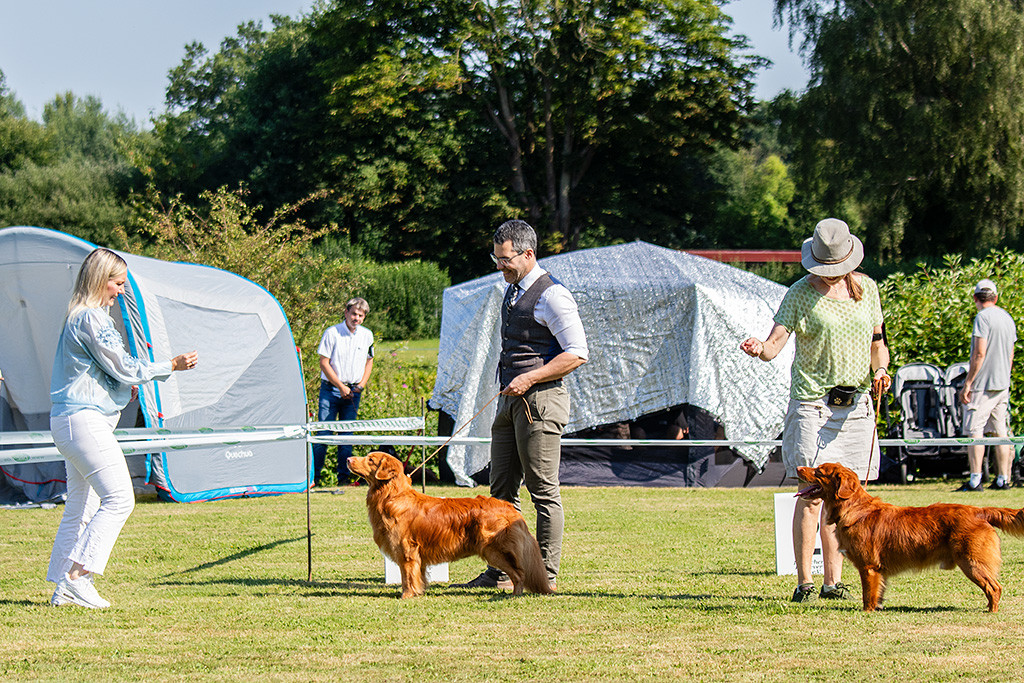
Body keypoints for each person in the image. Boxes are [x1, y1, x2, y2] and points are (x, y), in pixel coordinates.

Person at [740, 218, 890, 603]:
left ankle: (834, 583)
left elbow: (878, 344)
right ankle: (806, 582)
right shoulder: (799, 293)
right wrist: (760, 348)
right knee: (810, 496)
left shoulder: (867, 289)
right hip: (812, 405)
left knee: (851, 496)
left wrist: (882, 370)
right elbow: (774, 344)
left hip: (856, 404)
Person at [48, 247, 198, 609]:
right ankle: (77, 577)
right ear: (101, 280)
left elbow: (106, 371)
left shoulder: (81, 317)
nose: (120, 291)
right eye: (117, 283)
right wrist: (170, 365)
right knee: (119, 499)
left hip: (70, 420)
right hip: (84, 420)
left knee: (82, 505)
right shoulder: (92, 319)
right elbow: (125, 366)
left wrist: (123, 385)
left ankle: (63, 587)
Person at [455, 219, 588, 591]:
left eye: (506, 259)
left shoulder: (553, 296)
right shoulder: (511, 291)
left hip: (541, 402)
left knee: (543, 491)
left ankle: (544, 576)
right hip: (509, 403)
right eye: (496, 259)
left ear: (528, 254)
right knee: (500, 494)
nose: (500, 266)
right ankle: (499, 571)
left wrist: (530, 377)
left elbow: (577, 354)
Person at [957, 279, 1017, 491]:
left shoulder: (982, 318)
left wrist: (968, 383)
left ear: (975, 298)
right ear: (996, 298)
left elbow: (979, 353)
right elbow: (1010, 354)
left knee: (975, 431)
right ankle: (1003, 479)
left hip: (983, 385)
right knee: (1001, 432)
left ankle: (975, 480)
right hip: (1002, 384)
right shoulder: (1007, 318)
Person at [311, 298, 374, 486]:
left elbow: (369, 361)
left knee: (346, 436)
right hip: (331, 389)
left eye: (361, 315)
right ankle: (314, 479)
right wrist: (340, 386)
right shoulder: (332, 333)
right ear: (346, 312)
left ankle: (344, 479)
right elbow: (324, 363)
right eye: (354, 313)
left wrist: (361, 384)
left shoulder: (367, 335)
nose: (356, 318)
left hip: (354, 390)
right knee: (323, 434)